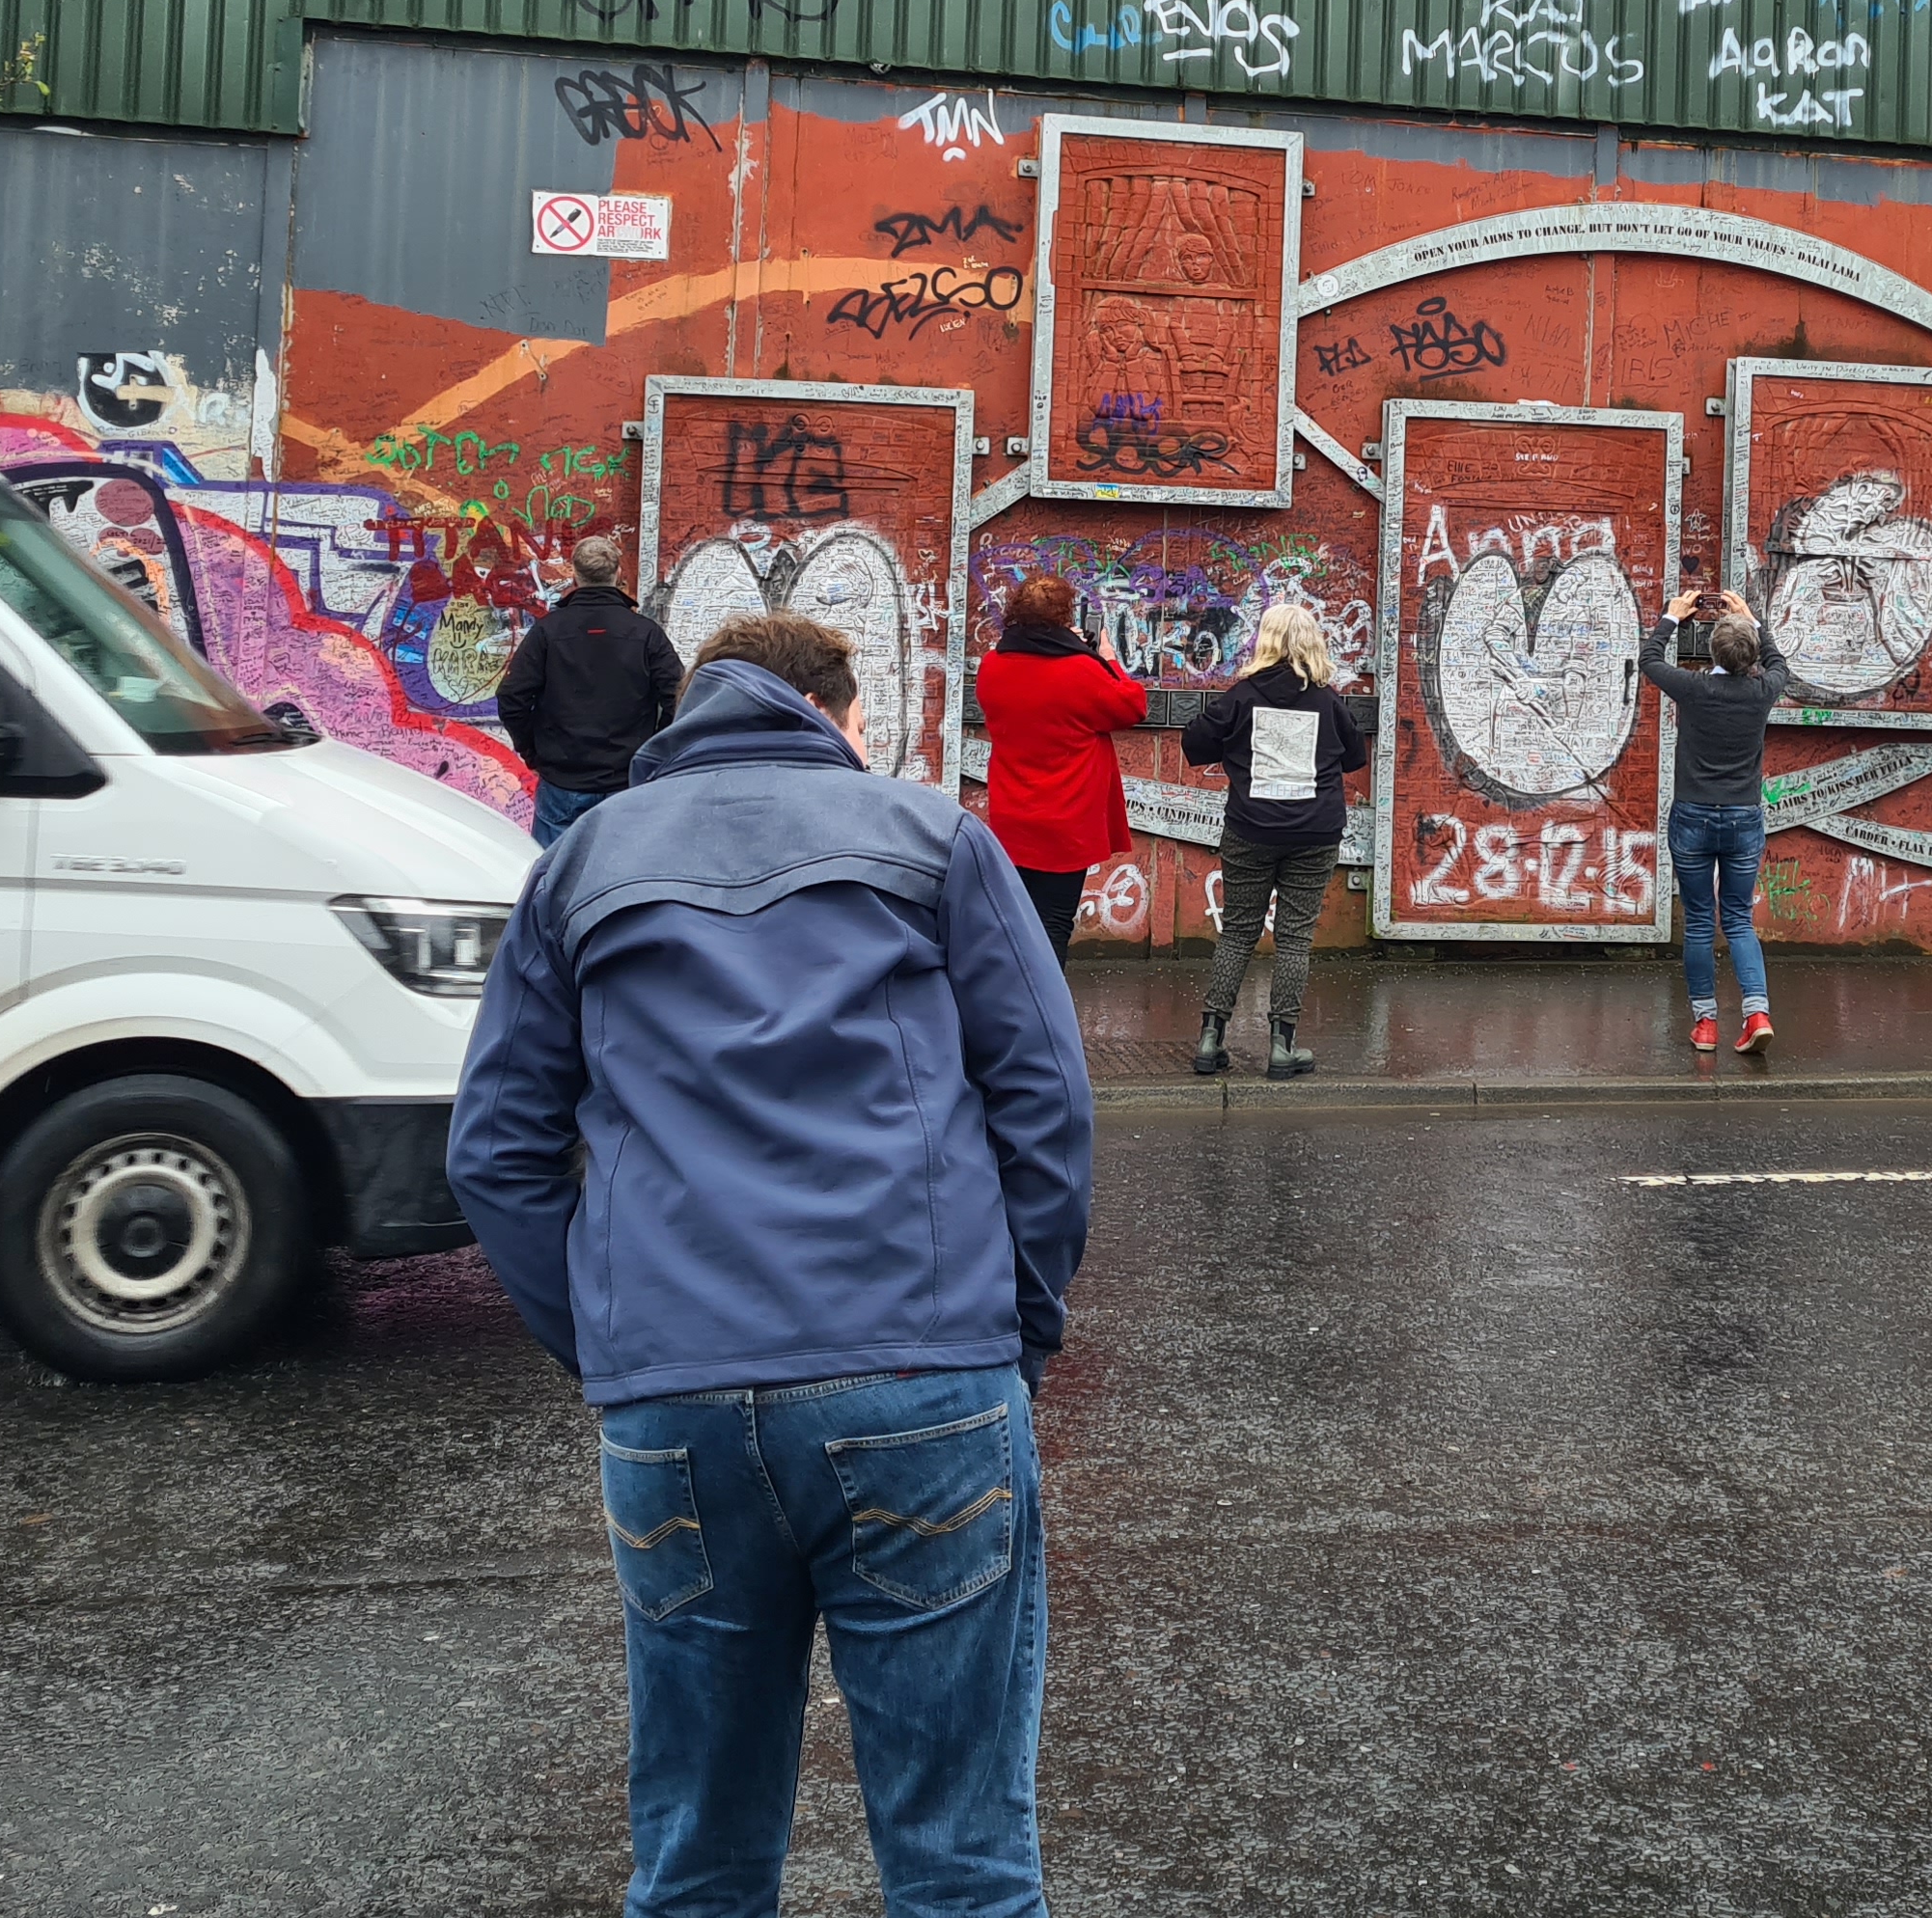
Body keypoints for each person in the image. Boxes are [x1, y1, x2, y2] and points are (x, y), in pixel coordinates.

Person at [449, 610, 1092, 1918]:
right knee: (963, 1864)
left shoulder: (581, 863)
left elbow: (495, 1151)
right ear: (838, 716)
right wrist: (1016, 1327)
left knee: (697, 1861)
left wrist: (615, 1336)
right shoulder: (932, 837)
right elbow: (1044, 1102)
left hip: (673, 1394)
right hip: (920, 1375)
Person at [1175, 601, 1360, 1081]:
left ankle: (1210, 1039)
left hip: (1250, 829)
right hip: (1315, 832)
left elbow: (1195, 743)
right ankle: (1282, 1047)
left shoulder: (1242, 697)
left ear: (1266, 641)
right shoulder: (1327, 701)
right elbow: (1355, 756)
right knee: (1295, 939)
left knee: (1238, 931)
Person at [1642, 583, 1797, 1056]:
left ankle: (1706, 1024)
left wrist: (1672, 616)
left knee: (1699, 921)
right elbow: (1779, 663)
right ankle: (1757, 1014)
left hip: (1692, 815)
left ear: (1713, 652)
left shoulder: (1694, 688)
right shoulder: (1763, 690)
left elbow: (1650, 659)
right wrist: (1752, 619)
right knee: (1738, 918)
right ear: (1750, 657)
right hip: (1743, 819)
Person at [974, 572, 1146, 958]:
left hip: (1012, 816)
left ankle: (1014, 993)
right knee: (1053, 920)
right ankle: (1045, 997)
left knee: (1016, 920)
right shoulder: (1080, 670)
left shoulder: (992, 666)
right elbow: (1132, 706)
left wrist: (1069, 647)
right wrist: (1107, 659)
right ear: (1063, 616)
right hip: (1066, 819)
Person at [495, 533, 685, 845]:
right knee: (618, 868)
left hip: (562, 781)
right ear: (618, 574)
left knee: (553, 871)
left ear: (575, 574)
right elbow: (679, 696)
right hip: (625, 780)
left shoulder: (548, 631)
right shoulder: (646, 633)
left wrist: (533, 752)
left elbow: (511, 697)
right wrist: (653, 750)